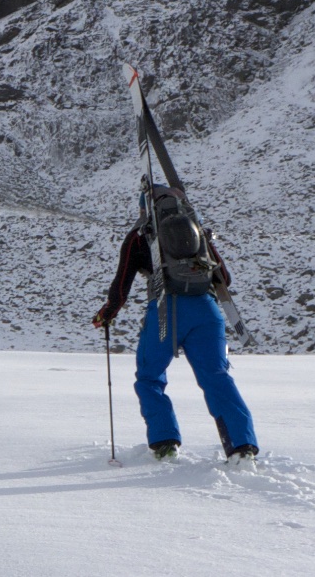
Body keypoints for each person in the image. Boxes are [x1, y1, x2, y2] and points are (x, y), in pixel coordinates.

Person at [92, 184, 259, 462]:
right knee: (217, 377)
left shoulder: (139, 236)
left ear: (146, 207)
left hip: (165, 311)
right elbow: (224, 279)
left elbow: (121, 286)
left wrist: (106, 314)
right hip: (207, 311)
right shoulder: (197, 231)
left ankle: (165, 442)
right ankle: (242, 447)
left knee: (149, 378)